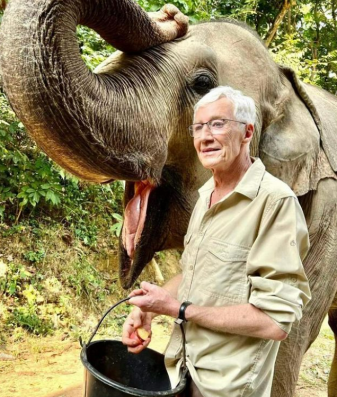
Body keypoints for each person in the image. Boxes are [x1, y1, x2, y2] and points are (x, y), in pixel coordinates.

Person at [122, 86, 311, 397]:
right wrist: (150, 310)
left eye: (218, 124)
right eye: (198, 127)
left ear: (247, 132)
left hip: (228, 387)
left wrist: (179, 309)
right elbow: (195, 273)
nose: (204, 137)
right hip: (183, 369)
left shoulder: (275, 203)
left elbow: (274, 322)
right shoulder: (205, 196)